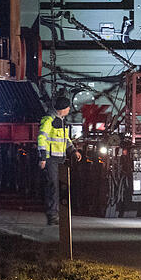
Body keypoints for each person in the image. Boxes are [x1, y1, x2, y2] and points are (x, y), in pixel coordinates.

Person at [37, 96, 81, 225]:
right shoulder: (49, 120)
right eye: (67, 107)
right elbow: (41, 138)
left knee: (59, 187)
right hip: (51, 160)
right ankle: (52, 215)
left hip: (60, 159)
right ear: (62, 109)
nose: (69, 109)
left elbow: (65, 139)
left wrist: (73, 151)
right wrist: (43, 157)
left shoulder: (61, 121)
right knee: (53, 187)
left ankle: (58, 213)